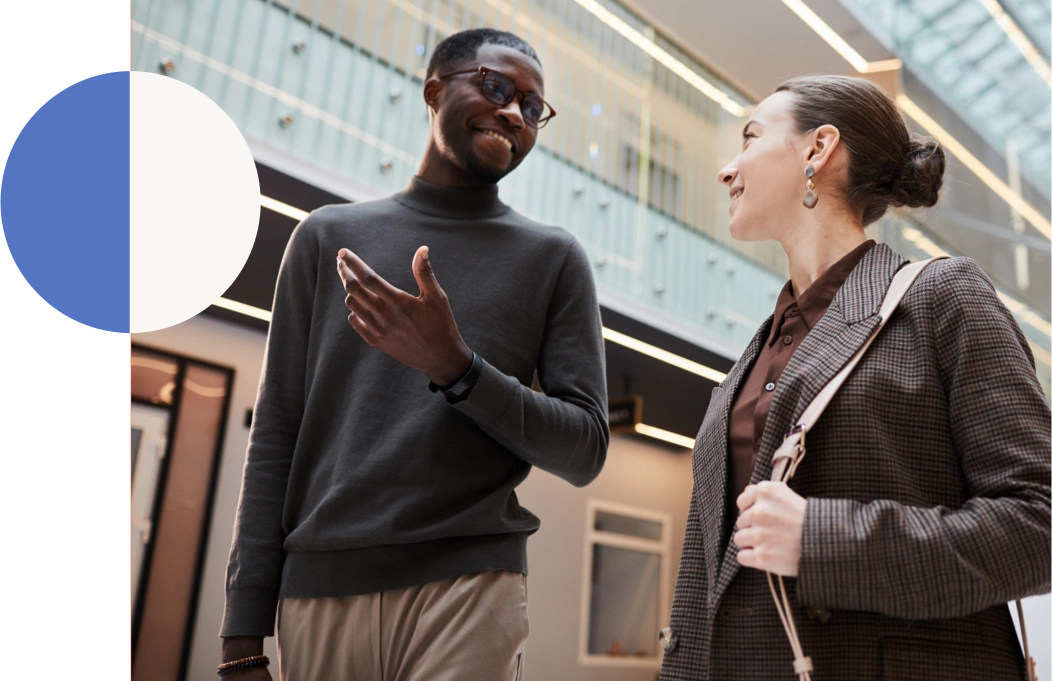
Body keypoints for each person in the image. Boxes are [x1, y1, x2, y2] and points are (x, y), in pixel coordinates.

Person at [219, 28, 610, 681]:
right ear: (435, 91)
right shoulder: (326, 238)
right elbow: (276, 437)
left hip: (470, 588)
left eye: (533, 108)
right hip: (318, 588)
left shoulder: (554, 258)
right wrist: (242, 632)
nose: (516, 113)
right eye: (496, 87)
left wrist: (458, 368)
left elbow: (585, 448)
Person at [658, 74, 1052, 681]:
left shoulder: (943, 297)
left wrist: (821, 540)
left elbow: (1040, 522)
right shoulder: (757, 348)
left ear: (818, 149)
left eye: (750, 138)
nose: (726, 170)